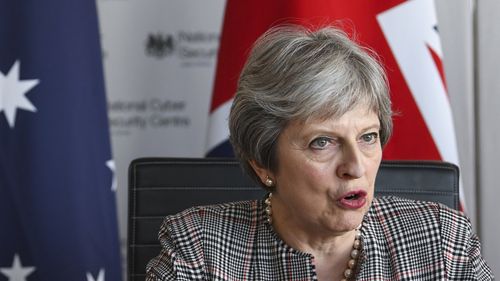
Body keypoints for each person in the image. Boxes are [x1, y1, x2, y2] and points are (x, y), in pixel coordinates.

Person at [145, 25, 493, 280]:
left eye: (368, 137)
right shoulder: (200, 250)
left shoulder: (442, 241)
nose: (355, 167)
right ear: (264, 163)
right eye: (322, 142)